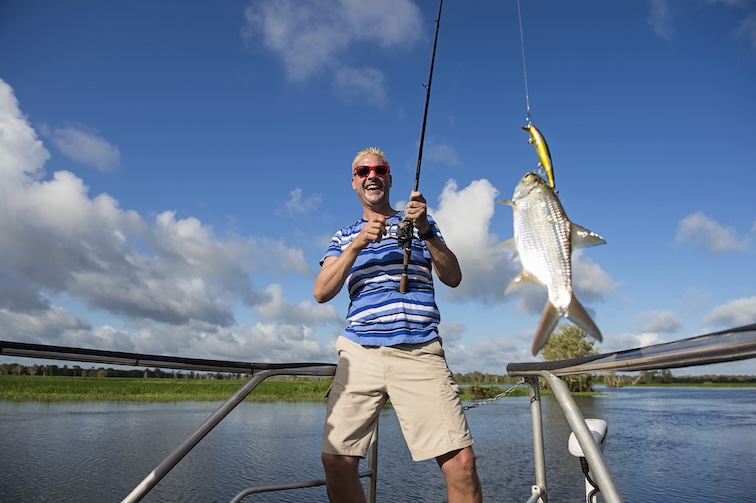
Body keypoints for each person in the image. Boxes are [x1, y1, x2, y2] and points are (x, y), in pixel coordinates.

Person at [313, 146, 482, 503]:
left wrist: (426, 230)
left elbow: (453, 277)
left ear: (389, 178)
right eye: (363, 171)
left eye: (379, 169)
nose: (371, 175)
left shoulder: (423, 226)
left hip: (420, 349)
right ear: (354, 183)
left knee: (462, 463)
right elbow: (321, 291)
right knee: (336, 461)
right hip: (359, 352)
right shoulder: (343, 237)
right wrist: (358, 244)